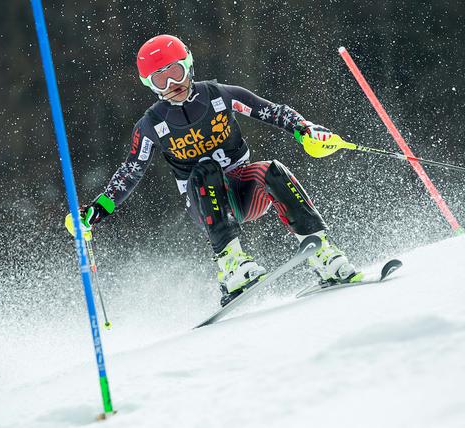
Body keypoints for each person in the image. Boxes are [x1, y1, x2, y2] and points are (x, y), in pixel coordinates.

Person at [74, 34, 361, 307]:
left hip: (244, 193)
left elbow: (274, 112)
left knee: (272, 170)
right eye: (160, 78)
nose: (172, 83)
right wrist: (97, 210)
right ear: (149, 85)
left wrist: (305, 130)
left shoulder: (220, 96)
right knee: (206, 169)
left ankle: (321, 252)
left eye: (176, 71)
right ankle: (230, 263)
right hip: (205, 202)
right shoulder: (151, 125)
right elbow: (130, 172)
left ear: (189, 65)